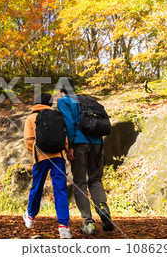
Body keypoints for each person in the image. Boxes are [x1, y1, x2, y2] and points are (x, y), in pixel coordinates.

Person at [56, 77, 114, 235]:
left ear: (61, 90)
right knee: (95, 180)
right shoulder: (87, 100)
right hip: (98, 145)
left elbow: (69, 123)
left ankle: (88, 223)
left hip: (80, 145)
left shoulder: (64, 101)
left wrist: (71, 146)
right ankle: (103, 210)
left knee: (80, 183)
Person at [23, 93, 72, 239]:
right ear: (50, 103)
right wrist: (64, 150)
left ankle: (30, 218)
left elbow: (28, 140)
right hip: (58, 157)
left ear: (36, 103)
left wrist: (37, 151)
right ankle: (64, 227)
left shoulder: (31, 118)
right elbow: (65, 139)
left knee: (37, 186)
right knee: (60, 190)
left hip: (40, 157)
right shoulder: (58, 117)